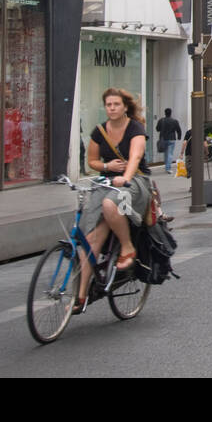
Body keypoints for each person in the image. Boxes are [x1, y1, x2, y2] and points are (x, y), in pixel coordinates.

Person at [77, 88, 152, 308]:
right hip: (108, 181)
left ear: (125, 107)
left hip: (135, 181)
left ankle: (127, 247)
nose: (112, 108)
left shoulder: (135, 128)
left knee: (111, 205)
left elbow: (136, 157)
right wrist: (107, 166)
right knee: (90, 240)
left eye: (116, 104)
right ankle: (80, 296)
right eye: (108, 104)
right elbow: (92, 161)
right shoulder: (100, 131)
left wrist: (125, 177)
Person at [155, 108, 182, 175]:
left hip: (163, 139)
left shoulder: (161, 120)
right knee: (170, 154)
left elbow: (157, 129)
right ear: (171, 113)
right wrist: (179, 137)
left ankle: (167, 166)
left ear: (165, 113)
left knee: (166, 154)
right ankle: (168, 168)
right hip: (172, 139)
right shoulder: (174, 121)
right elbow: (178, 130)